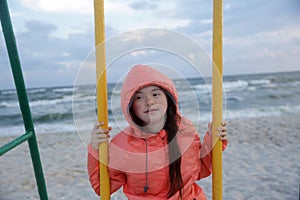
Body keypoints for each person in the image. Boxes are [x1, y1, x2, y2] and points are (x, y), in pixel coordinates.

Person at [87, 64, 228, 199]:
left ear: (168, 97)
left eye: (155, 94)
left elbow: (201, 169)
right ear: (129, 106)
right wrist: (95, 148)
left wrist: (213, 140)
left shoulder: (185, 131)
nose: (149, 102)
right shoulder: (123, 145)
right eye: (139, 97)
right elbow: (102, 187)